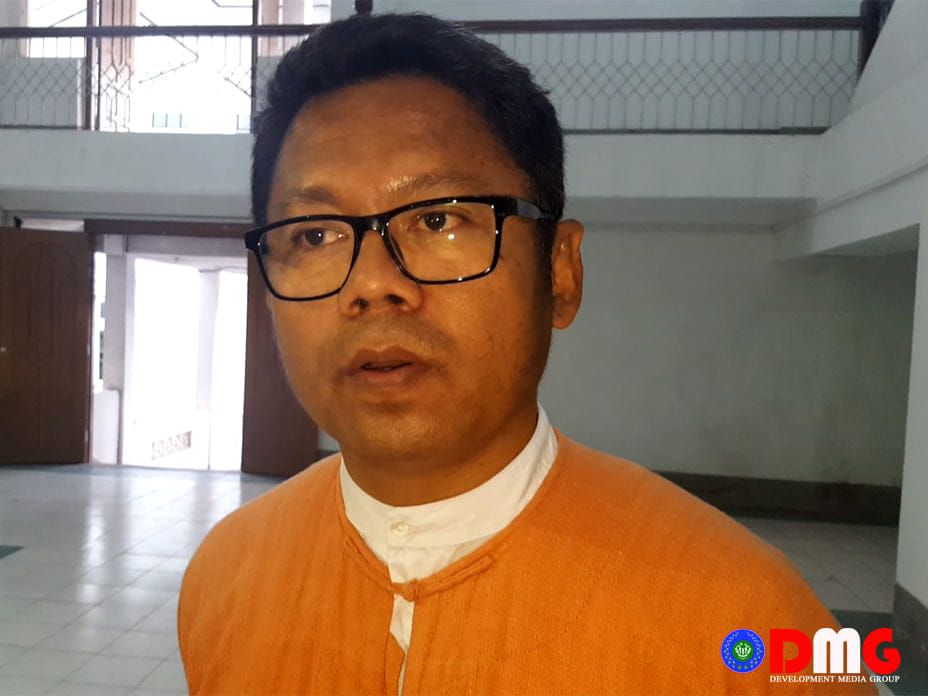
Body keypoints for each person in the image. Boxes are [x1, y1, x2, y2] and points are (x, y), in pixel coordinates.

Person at [178, 12, 876, 696]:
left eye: (438, 219)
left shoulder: (747, 615)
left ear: (560, 274)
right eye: (314, 235)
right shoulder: (226, 574)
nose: (372, 284)